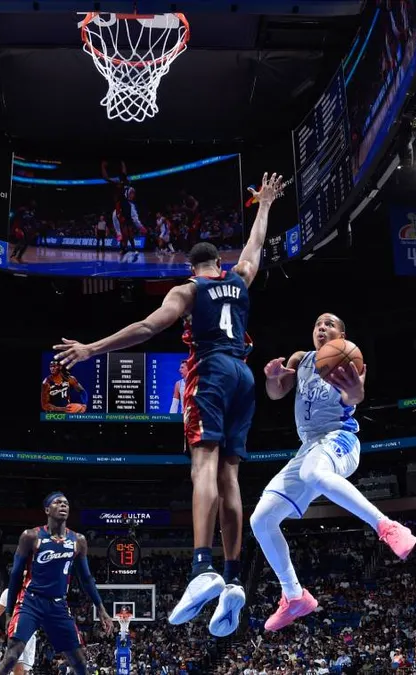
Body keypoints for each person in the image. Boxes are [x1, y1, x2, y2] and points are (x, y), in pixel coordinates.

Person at [54, 172, 287, 637]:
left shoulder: (187, 291)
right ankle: (233, 577)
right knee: (230, 477)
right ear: (218, 262)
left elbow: (146, 328)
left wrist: (91, 348)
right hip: (243, 376)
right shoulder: (240, 278)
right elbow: (255, 247)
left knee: (203, 468)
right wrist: (264, 205)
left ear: (190, 267)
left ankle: (202, 567)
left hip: (211, 372)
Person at [253, 313, 416, 631]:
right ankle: (295, 596)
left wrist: (356, 390)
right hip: (309, 448)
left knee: (313, 473)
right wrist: (272, 378)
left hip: (340, 437)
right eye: (317, 324)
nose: (321, 328)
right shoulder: (301, 359)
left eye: (329, 324)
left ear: (342, 335)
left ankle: (387, 527)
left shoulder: (348, 360)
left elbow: (354, 397)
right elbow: (276, 393)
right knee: (261, 520)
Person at [0, 492, 113, 675]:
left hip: (58, 604)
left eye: (66, 503)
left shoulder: (78, 540)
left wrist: (101, 609)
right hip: (30, 602)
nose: (63, 505)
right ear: (47, 510)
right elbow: (16, 576)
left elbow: (86, 578)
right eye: (57, 502)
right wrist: (9, 612)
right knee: (11, 656)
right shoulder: (31, 536)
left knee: (79, 661)